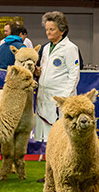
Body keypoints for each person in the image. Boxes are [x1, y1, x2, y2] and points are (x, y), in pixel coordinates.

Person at [34, 11, 80, 145]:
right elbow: (45, 70)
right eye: (47, 29)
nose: (48, 33)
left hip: (60, 97)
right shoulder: (46, 48)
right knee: (47, 135)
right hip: (44, 95)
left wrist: (65, 98)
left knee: (61, 135)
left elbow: (74, 74)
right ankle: (50, 160)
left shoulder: (70, 48)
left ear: (62, 30)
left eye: (52, 29)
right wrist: (38, 73)